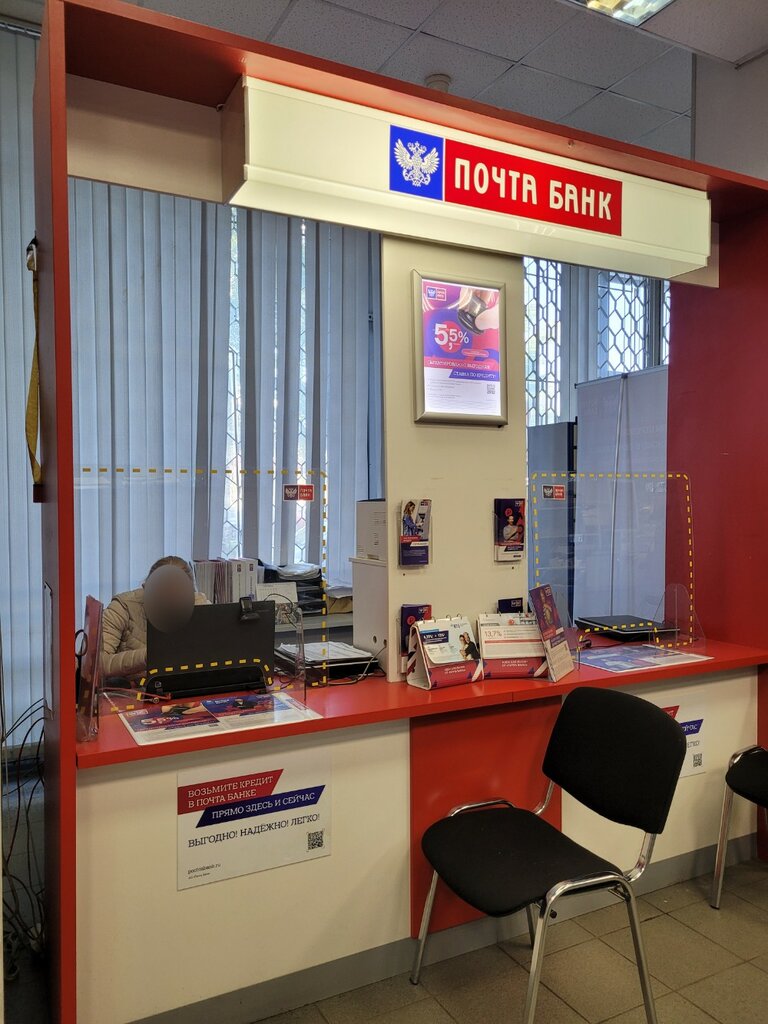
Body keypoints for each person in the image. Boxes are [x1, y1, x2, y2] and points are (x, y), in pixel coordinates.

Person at [101, 556, 209, 682]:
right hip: (135, 688)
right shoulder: (123, 607)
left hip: (186, 686)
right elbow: (97, 664)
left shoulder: (201, 606)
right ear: (146, 588)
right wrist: (149, 656)